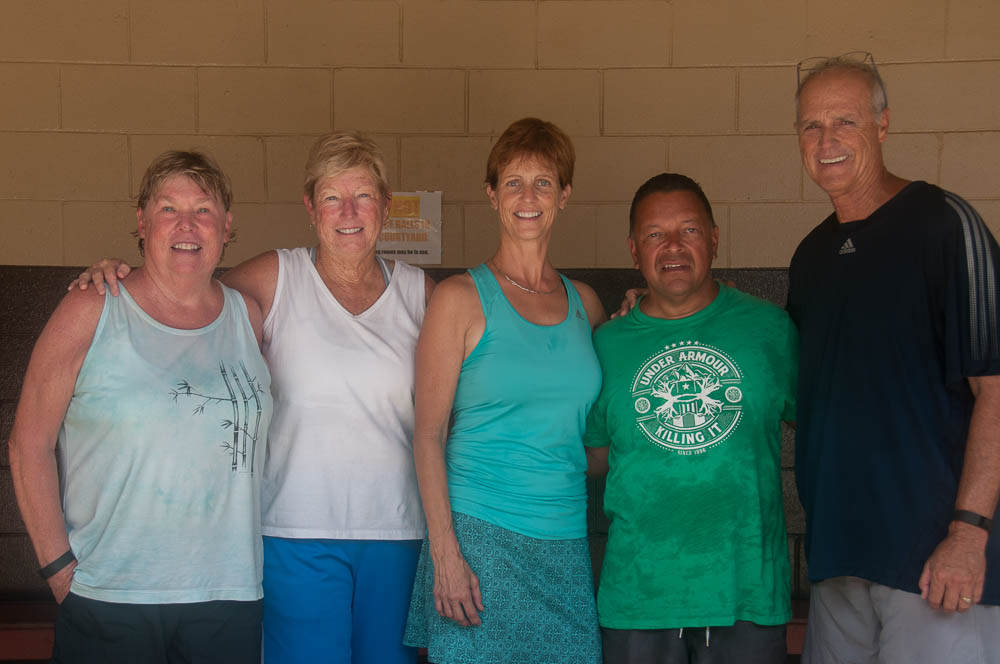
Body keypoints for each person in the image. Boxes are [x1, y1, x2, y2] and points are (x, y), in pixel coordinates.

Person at [71, 131, 435, 664]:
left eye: (363, 196)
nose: (348, 212)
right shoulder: (275, 277)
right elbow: (184, 295)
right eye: (332, 197)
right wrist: (116, 273)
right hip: (292, 529)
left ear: (384, 205)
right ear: (310, 207)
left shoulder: (421, 294)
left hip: (399, 530)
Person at [9, 151, 272, 662]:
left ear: (226, 225)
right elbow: (27, 444)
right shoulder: (93, 307)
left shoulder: (249, 316)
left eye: (203, 209)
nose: (187, 224)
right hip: (111, 596)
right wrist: (59, 569)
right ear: (143, 223)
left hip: (229, 593)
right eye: (168, 208)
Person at [787, 53, 1000, 663]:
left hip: (934, 566)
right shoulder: (811, 258)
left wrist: (968, 534)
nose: (826, 141)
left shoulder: (944, 224)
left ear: (882, 125)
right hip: (839, 560)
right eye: (811, 126)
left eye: (845, 122)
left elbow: (995, 389)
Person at [402, 117, 606, 663]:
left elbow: (597, 435)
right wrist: (446, 555)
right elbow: (427, 435)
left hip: (564, 539)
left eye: (543, 183)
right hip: (478, 538)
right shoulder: (459, 298)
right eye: (513, 182)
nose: (528, 197)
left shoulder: (587, 306)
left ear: (564, 195)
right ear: (492, 195)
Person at [584, 173, 797, 664]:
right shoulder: (606, 345)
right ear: (634, 250)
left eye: (690, 230)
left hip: (747, 594)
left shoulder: (769, 329)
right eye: (655, 234)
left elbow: (824, 431)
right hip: (640, 597)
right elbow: (593, 457)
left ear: (715, 239)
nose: (673, 246)